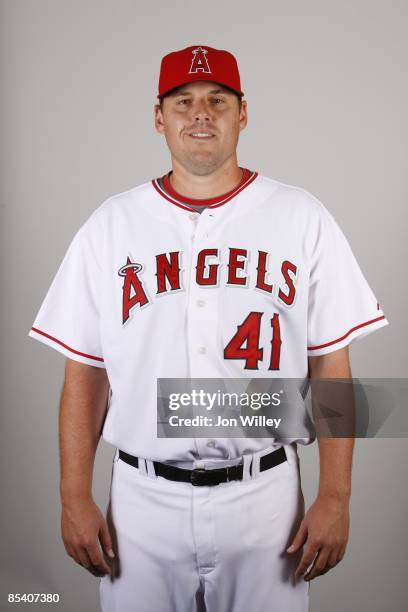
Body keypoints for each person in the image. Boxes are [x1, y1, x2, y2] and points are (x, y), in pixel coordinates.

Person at [28, 45, 389, 612]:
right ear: (159, 117)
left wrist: (336, 494)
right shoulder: (110, 225)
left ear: (242, 114)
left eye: (217, 101)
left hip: (266, 501)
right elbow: (86, 372)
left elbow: (332, 366)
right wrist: (73, 493)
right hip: (142, 504)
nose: (201, 113)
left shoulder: (301, 217)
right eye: (183, 101)